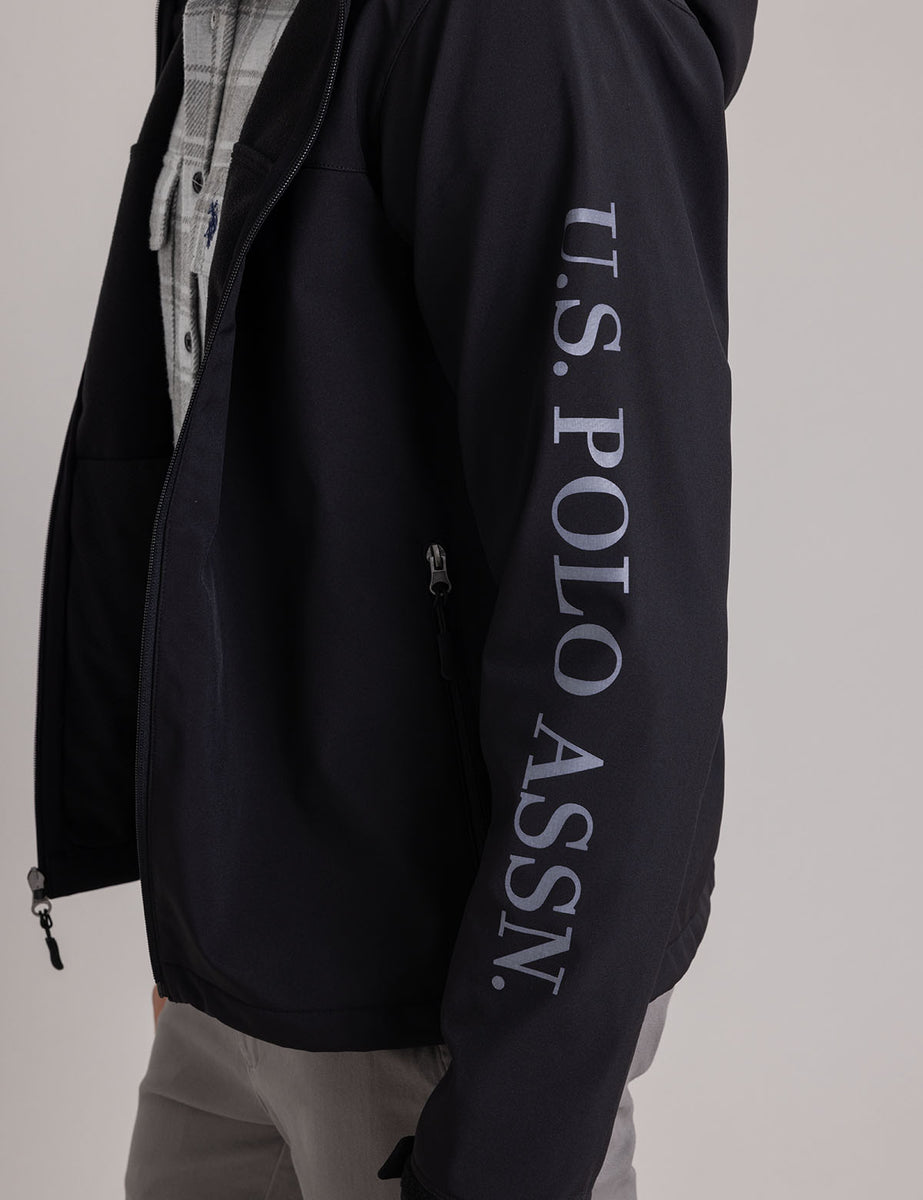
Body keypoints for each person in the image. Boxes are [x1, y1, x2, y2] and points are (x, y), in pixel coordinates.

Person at [26, 0, 758, 1197]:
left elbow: (613, 619)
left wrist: (515, 1126)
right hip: (233, 974)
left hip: (443, 1012)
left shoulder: (524, 31)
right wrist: (193, 893)